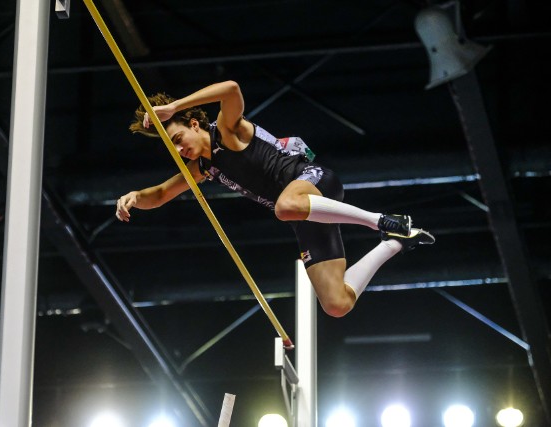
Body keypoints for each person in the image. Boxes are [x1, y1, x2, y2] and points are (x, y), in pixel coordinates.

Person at [116, 81, 434, 318]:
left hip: (314, 181)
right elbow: (159, 195)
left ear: (194, 123)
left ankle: (381, 220)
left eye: (178, 140)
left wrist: (174, 106)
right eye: (172, 149)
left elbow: (231, 89)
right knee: (336, 304)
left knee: (284, 207)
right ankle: (396, 241)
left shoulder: (227, 130)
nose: (180, 150)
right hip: (306, 215)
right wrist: (133, 197)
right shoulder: (202, 167)